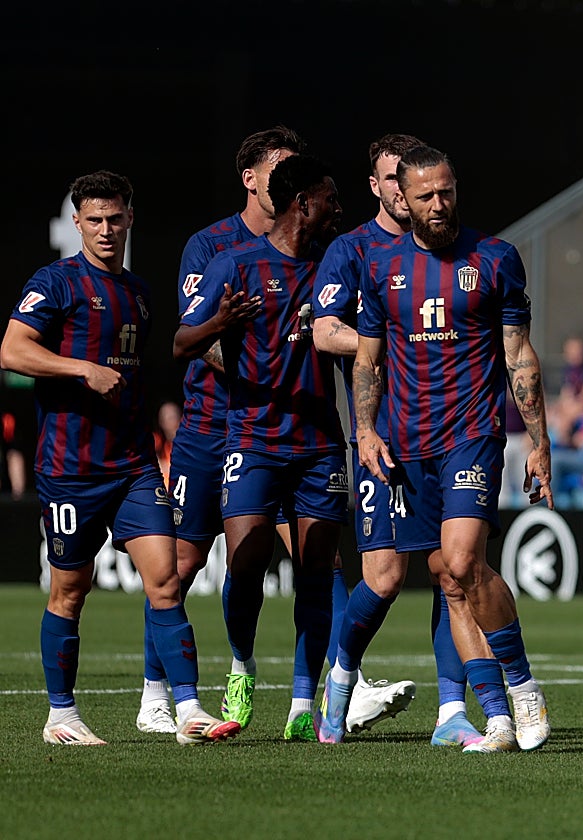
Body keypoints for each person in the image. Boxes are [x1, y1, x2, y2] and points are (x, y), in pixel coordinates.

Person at [0, 171, 239, 746]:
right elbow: (12, 349)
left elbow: (145, 376)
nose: (106, 229)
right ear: (77, 223)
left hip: (132, 467)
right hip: (71, 470)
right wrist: (80, 368)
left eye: (115, 219)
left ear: (130, 218)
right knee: (70, 592)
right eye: (95, 220)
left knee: (167, 582)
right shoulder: (55, 282)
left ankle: (187, 712)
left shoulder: (138, 293)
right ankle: (62, 716)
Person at [353, 144, 553, 753]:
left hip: (472, 434)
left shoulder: (495, 259)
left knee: (463, 561)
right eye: (425, 196)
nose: (439, 205)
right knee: (447, 578)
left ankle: (522, 690)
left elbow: (519, 354)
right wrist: (365, 430)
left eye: (447, 192)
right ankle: (494, 718)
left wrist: (539, 445)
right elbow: (368, 360)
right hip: (408, 446)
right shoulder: (380, 267)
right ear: (400, 199)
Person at [312, 133, 496, 748]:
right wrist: (390, 341)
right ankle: (340, 681)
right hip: (385, 439)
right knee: (386, 576)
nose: (404, 191)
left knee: (452, 570)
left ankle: (453, 714)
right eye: (393, 180)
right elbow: (324, 329)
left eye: (411, 181)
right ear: (379, 185)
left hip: (453, 436)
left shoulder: (457, 252)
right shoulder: (353, 250)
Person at [175, 154, 347, 741]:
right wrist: (217, 322)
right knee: (246, 560)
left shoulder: (335, 263)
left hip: (321, 444)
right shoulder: (234, 264)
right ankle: (242, 667)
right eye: (329, 198)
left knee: (316, 570)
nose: (337, 208)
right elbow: (180, 344)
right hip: (252, 439)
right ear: (303, 202)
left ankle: (304, 701)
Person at [139, 125, 303, 736]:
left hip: (278, 429)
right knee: (179, 567)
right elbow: (193, 337)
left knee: (312, 559)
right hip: (210, 427)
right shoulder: (210, 245)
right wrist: (260, 362)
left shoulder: (309, 246)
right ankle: (157, 693)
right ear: (251, 178)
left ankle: (337, 685)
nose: (289, 177)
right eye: (278, 166)